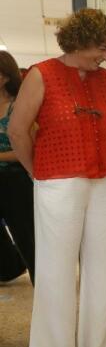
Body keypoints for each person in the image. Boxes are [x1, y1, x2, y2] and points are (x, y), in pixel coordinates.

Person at [8, 8, 106, 347]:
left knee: (103, 268)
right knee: (55, 274)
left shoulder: (105, 79)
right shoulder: (41, 74)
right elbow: (18, 131)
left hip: (105, 179)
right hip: (58, 182)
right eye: (102, 48)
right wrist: (39, 174)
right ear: (79, 42)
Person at [0, 50, 35, 285]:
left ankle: (42, 289)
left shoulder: (18, 107)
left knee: (28, 239)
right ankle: (10, 266)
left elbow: (28, 150)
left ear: (4, 77)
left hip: (15, 181)